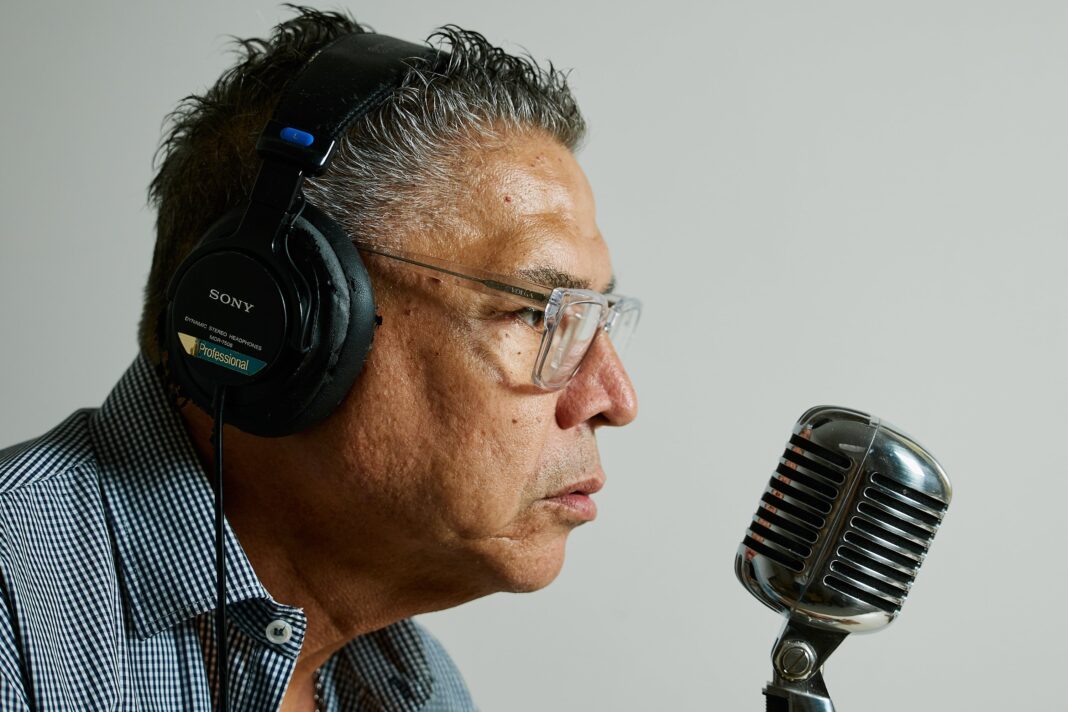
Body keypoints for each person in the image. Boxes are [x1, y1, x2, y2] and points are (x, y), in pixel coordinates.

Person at [0, 7, 638, 711]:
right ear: (281, 315)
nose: (614, 397)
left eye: (596, 321)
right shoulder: (15, 608)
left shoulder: (414, 688)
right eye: (534, 312)